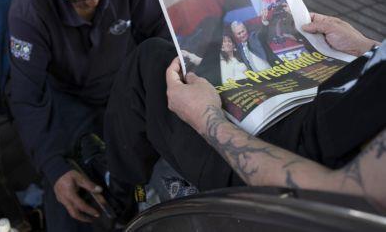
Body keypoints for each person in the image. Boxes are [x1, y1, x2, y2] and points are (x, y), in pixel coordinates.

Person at [104, 13, 385, 212]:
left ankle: (119, 200)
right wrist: (367, 48)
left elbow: (339, 199)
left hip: (277, 162)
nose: (233, 40)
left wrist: (206, 118)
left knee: (149, 61)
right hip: (318, 103)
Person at [7, 0, 169, 231]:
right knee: (72, 198)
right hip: (66, 98)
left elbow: (161, 38)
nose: (92, 1)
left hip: (123, 88)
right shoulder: (30, 6)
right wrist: (54, 169)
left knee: (146, 176)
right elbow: (27, 96)